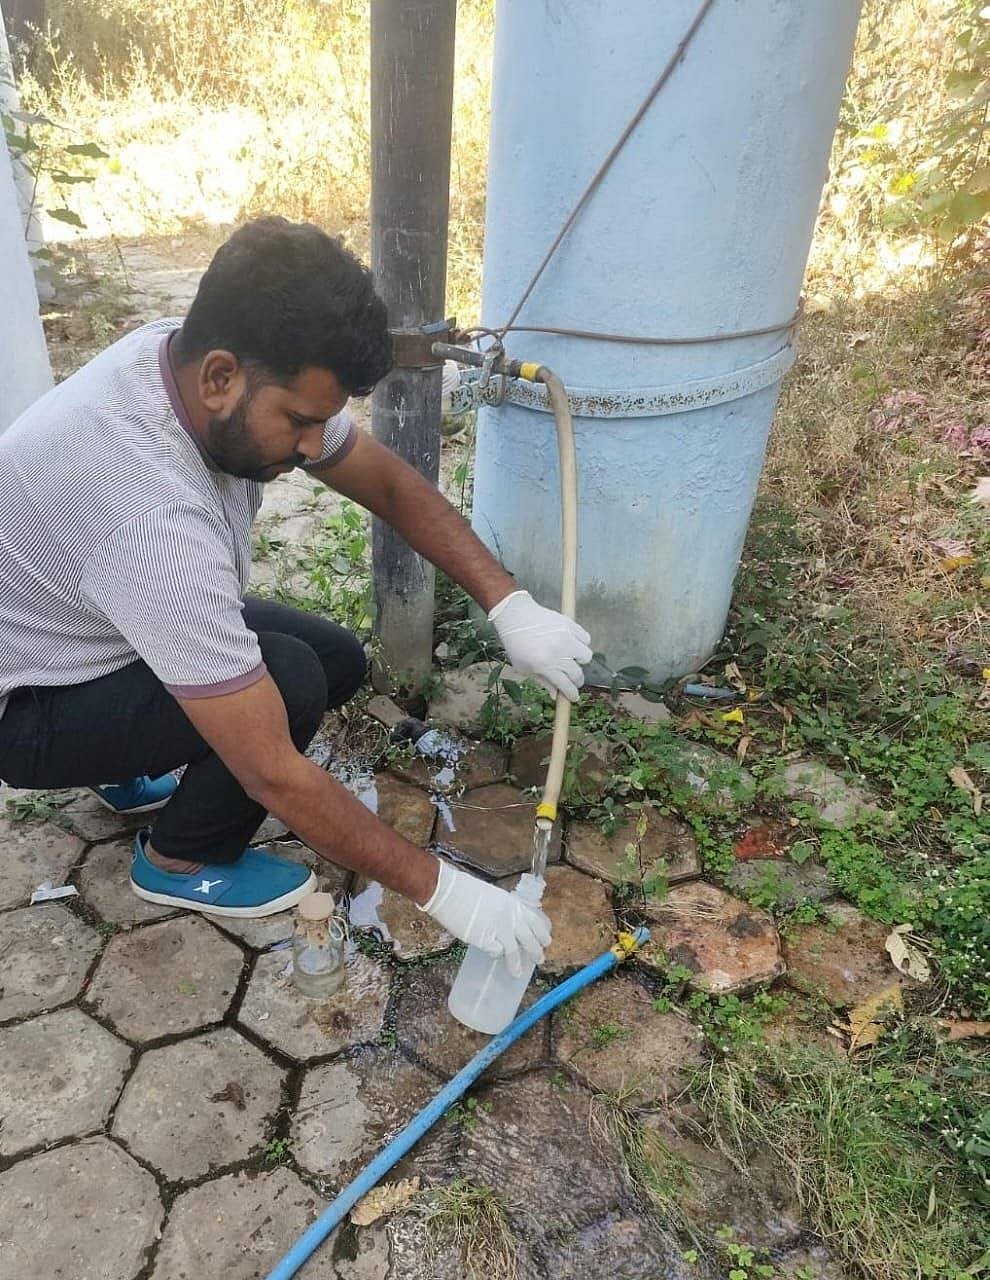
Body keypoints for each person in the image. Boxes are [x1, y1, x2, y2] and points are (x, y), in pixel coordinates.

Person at [0, 217, 592, 976]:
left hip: (72, 627)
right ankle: (178, 859)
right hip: (27, 706)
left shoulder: (187, 357)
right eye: (302, 423)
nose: (316, 447)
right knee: (288, 684)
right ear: (219, 378)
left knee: (334, 658)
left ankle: (122, 773)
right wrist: (448, 893)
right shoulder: (149, 513)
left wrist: (509, 605)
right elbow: (271, 770)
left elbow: (384, 480)